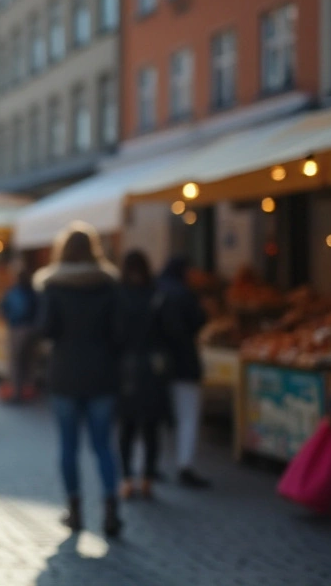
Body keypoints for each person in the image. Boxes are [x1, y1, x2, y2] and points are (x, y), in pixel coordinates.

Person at [34, 222, 123, 537]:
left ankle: (75, 510)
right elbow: (119, 333)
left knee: (69, 447)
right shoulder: (109, 284)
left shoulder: (54, 285)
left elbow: (46, 329)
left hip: (66, 373)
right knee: (103, 446)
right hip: (102, 373)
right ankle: (112, 509)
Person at [116, 250, 171, 500]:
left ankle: (127, 478)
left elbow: (113, 335)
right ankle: (147, 478)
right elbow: (168, 332)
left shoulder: (119, 295)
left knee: (127, 428)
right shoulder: (157, 295)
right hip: (152, 368)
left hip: (125, 368)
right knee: (150, 427)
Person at [159, 255, 210, 488]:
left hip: (159, 364)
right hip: (184, 362)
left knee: (157, 416)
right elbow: (198, 320)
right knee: (188, 416)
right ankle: (184, 464)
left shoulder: (156, 290)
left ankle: (150, 465)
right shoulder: (184, 293)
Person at [0, 262, 38, 402]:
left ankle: (16, 392)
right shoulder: (34, 292)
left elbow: (2, 309)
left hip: (16, 328)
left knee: (15, 363)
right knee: (29, 362)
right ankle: (29, 390)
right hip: (32, 329)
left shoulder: (12, 291)